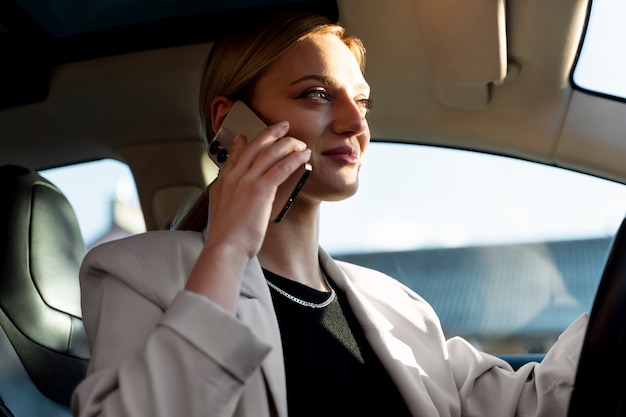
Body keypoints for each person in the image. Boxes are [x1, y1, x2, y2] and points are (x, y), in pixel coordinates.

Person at [71, 11, 588, 417]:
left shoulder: (398, 306)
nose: (354, 124)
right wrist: (228, 249)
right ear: (232, 121)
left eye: (361, 102)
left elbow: (532, 405)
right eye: (317, 94)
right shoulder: (136, 269)